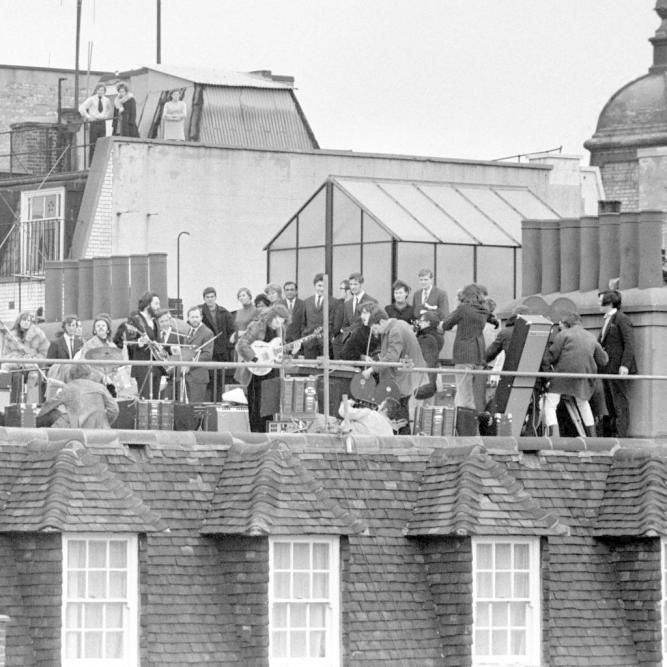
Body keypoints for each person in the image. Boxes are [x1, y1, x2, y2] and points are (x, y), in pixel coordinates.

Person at [542, 312, 608, 438]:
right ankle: (592, 436)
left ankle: (554, 436)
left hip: (562, 376)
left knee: (551, 404)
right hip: (584, 377)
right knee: (583, 403)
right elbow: (603, 360)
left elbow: (550, 357)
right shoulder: (590, 336)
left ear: (565, 324)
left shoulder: (563, 335)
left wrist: (547, 375)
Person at [362, 309, 426, 433]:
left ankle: (402, 438)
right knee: (402, 409)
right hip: (406, 375)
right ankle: (403, 436)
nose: (375, 332)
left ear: (381, 322)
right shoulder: (399, 324)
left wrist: (371, 369)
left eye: (375, 328)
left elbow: (392, 357)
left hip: (402, 377)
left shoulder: (395, 331)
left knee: (399, 410)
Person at [235, 304, 291, 432]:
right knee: (256, 404)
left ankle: (266, 432)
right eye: (277, 321)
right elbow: (241, 344)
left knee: (269, 404)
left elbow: (279, 350)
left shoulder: (280, 330)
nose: (278, 325)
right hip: (256, 371)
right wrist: (255, 358)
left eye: (281, 322)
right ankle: (255, 432)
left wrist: (289, 352)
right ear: (271, 317)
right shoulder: (257, 326)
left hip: (271, 370)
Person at [440, 284, 489, 411]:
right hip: (478, 356)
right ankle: (465, 417)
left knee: (464, 394)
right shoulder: (484, 311)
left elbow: (446, 325)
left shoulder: (463, 309)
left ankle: (465, 419)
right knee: (472, 394)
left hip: (464, 355)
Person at [598, 290, 637, 437]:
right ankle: (614, 432)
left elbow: (629, 343)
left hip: (617, 368)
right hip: (607, 368)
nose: (598, 303)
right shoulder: (607, 319)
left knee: (619, 401)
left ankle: (621, 434)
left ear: (609, 302)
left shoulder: (621, 319)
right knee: (610, 401)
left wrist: (625, 365)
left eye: (601, 300)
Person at [114, 291, 162, 400]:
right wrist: (139, 343)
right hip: (143, 365)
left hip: (157, 365)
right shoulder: (135, 319)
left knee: (155, 400)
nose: (159, 307)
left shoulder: (155, 321)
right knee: (145, 400)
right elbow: (130, 342)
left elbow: (158, 341)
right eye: (156, 304)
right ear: (147, 305)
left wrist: (168, 349)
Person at [2, 311, 49, 403]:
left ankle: (31, 404)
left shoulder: (39, 334)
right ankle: (14, 404)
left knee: (34, 376)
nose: (26, 322)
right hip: (15, 367)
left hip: (33, 367)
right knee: (16, 376)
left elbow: (44, 353)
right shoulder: (10, 335)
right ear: (19, 321)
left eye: (29, 320)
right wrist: (17, 357)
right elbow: (5, 355)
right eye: (24, 320)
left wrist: (33, 358)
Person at [57, 363, 119, 429]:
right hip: (102, 431)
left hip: (79, 432)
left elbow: (52, 406)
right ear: (89, 374)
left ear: (71, 375)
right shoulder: (100, 387)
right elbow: (114, 410)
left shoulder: (67, 389)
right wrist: (104, 422)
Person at [199, 286, 234, 401]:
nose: (210, 299)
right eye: (207, 297)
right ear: (204, 298)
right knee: (208, 379)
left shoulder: (224, 312)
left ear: (215, 297)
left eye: (212, 297)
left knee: (220, 380)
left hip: (222, 352)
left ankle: (218, 401)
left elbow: (232, 331)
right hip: (207, 350)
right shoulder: (199, 312)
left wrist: (228, 346)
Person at [183, 306, 214, 403]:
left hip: (198, 376)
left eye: (197, 317)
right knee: (185, 408)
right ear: (188, 318)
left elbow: (207, 355)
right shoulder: (187, 331)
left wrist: (190, 365)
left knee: (195, 407)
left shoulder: (207, 333)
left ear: (201, 317)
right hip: (185, 376)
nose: (195, 319)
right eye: (192, 317)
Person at [78, 83, 113, 162]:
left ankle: (101, 162)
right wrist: (88, 116)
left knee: (102, 143)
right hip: (94, 122)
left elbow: (109, 109)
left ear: (104, 91)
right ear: (96, 90)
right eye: (99, 90)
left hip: (102, 122)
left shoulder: (106, 100)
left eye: (102, 90)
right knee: (93, 143)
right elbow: (81, 108)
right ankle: (92, 163)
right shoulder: (91, 99)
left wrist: (106, 115)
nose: (100, 92)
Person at [414, 310, 444, 399]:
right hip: (432, 378)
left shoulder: (427, 338)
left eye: (421, 321)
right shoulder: (438, 336)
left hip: (424, 381)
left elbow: (427, 360)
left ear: (428, 323)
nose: (419, 323)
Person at [302, 274, 327, 359]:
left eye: (324, 286)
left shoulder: (333, 302)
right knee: (309, 365)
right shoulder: (306, 302)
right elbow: (303, 322)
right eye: (319, 286)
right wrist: (305, 336)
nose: (322, 288)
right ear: (314, 286)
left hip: (325, 344)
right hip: (309, 343)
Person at [331, 278, 351, 359]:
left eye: (341, 289)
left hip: (346, 338)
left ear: (348, 291)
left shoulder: (351, 304)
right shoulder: (338, 303)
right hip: (338, 338)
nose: (340, 291)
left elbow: (337, 323)